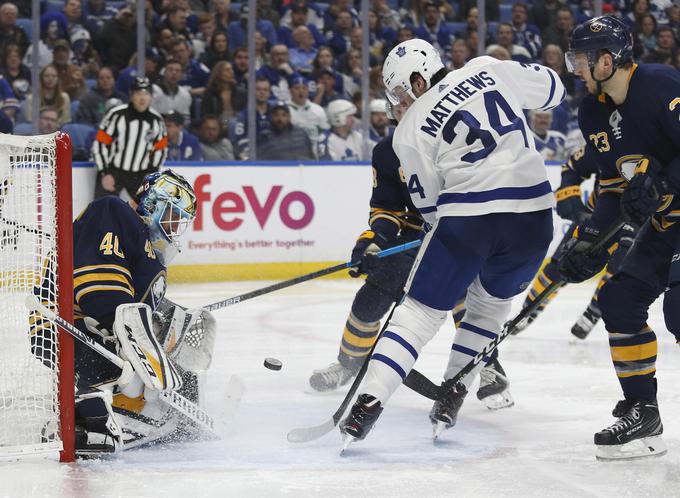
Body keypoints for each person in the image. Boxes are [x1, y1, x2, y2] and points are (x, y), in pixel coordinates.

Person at [340, 38, 563, 446]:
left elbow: (430, 209)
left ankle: (367, 405)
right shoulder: (489, 67)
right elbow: (554, 89)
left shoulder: (408, 130)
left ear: (419, 79)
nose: (399, 102)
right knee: (489, 309)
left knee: (420, 314)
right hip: (534, 219)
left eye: (401, 92)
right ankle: (454, 392)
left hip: (470, 218)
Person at [309, 101, 513, 411]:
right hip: (414, 235)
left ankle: (489, 366)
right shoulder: (387, 151)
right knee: (371, 297)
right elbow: (388, 209)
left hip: (460, 228)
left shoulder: (455, 138)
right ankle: (348, 363)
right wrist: (374, 241)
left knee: (463, 301)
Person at [560, 15, 680, 460]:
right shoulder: (592, 110)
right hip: (665, 225)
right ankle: (643, 414)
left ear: (607, 60)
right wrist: (588, 242)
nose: (576, 67)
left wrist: (665, 182)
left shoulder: (661, 84)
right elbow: (613, 188)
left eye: (581, 59)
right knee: (619, 302)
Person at [40, 169, 216, 454]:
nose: (174, 227)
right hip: (63, 327)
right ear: (153, 204)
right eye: (172, 216)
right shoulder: (115, 211)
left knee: (170, 337)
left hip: (88, 326)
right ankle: (92, 414)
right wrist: (138, 345)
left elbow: (131, 313)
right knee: (137, 374)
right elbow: (101, 297)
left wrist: (162, 323)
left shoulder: (147, 253)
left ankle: (131, 406)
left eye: (179, 222)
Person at [510, 147, 635, 339]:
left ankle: (592, 314)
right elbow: (573, 167)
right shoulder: (608, 139)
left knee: (618, 273)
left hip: (638, 224)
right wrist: (569, 197)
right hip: (596, 219)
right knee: (560, 266)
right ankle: (527, 312)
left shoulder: (664, 142)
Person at [91, 77, 167, 199]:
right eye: (138, 93)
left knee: (147, 213)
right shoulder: (116, 115)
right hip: (113, 171)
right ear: (131, 96)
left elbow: (160, 150)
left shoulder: (157, 120)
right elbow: (100, 144)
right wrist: (104, 172)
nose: (142, 98)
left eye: (146, 94)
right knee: (102, 210)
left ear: (151, 97)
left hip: (141, 174)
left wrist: (151, 174)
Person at [287, 75, 328, 157]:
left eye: (304, 88)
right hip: (292, 153)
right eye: (297, 88)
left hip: (316, 154)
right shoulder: (285, 110)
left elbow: (325, 133)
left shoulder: (318, 110)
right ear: (291, 91)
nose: (300, 91)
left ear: (308, 91)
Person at [151, 59, 193, 123]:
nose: (174, 73)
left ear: (181, 75)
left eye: (177, 71)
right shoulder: (153, 90)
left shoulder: (185, 94)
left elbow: (185, 122)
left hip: (176, 130)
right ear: (164, 72)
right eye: (170, 70)